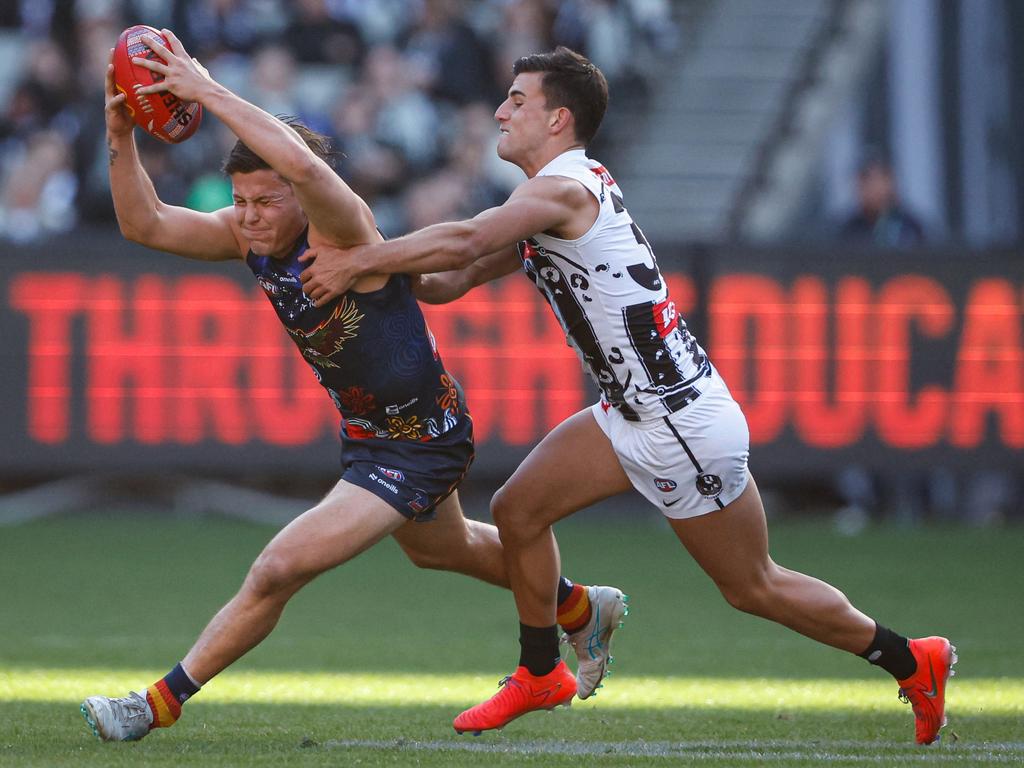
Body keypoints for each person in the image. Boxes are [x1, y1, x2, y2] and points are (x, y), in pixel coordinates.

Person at [298, 47, 956, 744]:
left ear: (558, 119)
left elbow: (464, 241)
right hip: (635, 412)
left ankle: (910, 658)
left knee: (752, 586)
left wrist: (364, 259)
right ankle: (540, 669)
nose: (500, 110)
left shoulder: (562, 188)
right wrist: (367, 267)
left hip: (677, 422)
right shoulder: (549, 198)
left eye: (517, 100)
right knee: (519, 511)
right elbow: (449, 280)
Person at [80, 31, 626, 742]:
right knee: (443, 550)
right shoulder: (251, 234)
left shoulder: (340, 227)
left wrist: (205, 89)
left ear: (300, 199)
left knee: (278, 567)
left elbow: (305, 165)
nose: (247, 217)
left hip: (418, 443)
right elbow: (143, 222)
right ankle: (582, 608)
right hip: (376, 434)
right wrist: (119, 132)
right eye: (239, 200)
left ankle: (154, 704)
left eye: (264, 201)